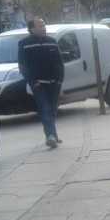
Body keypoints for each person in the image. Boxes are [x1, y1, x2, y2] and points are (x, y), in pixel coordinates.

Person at [18, 18, 64, 148]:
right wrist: (33, 82)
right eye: (40, 26)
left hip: (54, 83)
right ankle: (50, 135)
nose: (44, 28)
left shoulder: (52, 42)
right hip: (38, 84)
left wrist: (60, 80)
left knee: (53, 109)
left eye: (44, 25)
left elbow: (59, 63)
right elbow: (22, 66)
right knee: (45, 108)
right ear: (32, 29)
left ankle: (53, 134)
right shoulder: (24, 43)